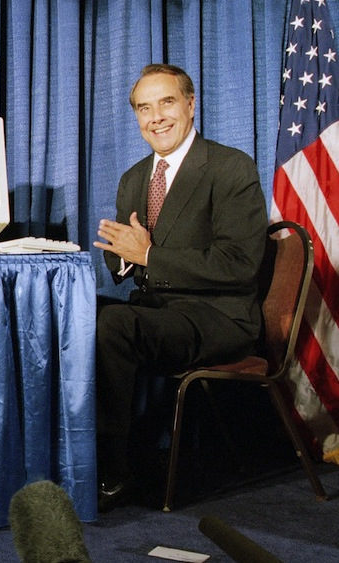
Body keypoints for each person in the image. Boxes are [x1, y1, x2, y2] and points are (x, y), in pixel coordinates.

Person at [92, 63, 267, 511]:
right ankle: (73, 454)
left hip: (218, 317)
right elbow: (126, 262)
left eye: (167, 102)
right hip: (157, 311)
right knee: (77, 313)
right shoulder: (134, 178)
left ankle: (112, 471)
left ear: (191, 105)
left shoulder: (229, 167)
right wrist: (125, 256)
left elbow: (240, 264)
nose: (156, 117)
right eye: (144, 108)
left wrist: (147, 255)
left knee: (113, 326)